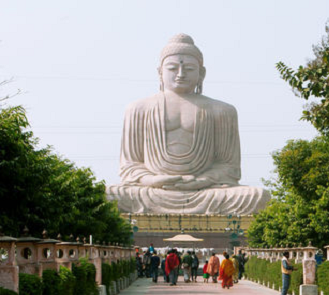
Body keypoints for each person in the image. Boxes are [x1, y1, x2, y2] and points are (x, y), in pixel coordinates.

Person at [105, 33, 269, 215]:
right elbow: (130, 166)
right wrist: (153, 180)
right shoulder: (138, 108)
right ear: (160, 72)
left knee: (258, 196)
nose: (181, 74)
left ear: (202, 73)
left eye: (190, 69)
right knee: (107, 195)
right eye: (172, 68)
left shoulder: (222, 110)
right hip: (153, 191)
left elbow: (229, 167)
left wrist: (201, 181)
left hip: (205, 191)